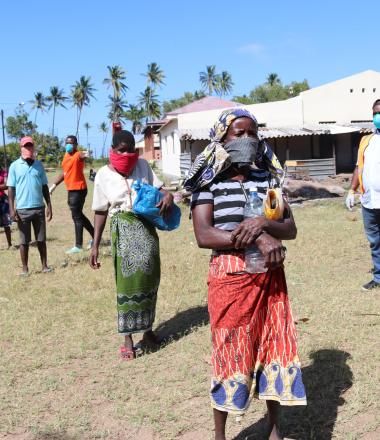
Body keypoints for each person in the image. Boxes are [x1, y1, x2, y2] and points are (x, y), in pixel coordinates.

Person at [186, 109, 306, 440]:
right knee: (229, 351)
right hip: (229, 277)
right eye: (238, 133)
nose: (247, 139)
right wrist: (256, 236)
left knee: (272, 348)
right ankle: (220, 436)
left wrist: (264, 223)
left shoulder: (267, 179)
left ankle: (274, 430)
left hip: (269, 276)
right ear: (222, 139)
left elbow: (290, 228)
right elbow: (204, 235)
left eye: (252, 133)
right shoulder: (208, 180)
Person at [89, 130, 174, 360]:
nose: (126, 154)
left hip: (147, 227)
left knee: (150, 278)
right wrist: (95, 246)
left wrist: (167, 196)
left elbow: (160, 189)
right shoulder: (103, 175)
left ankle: (147, 331)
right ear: (113, 150)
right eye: (121, 150)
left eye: (130, 150)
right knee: (127, 283)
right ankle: (128, 338)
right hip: (123, 228)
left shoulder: (143, 166)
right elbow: (100, 211)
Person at [346, 99, 380, 291]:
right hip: (369, 201)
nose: (378, 116)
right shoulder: (366, 140)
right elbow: (359, 166)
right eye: (375, 113)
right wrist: (351, 190)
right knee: (375, 241)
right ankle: (378, 276)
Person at [7, 136, 52, 275]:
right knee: (24, 241)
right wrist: (11, 209)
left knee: (41, 239)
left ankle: (45, 266)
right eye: (25, 146)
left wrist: (49, 205)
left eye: (30, 146)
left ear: (33, 148)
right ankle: (25, 268)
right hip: (22, 210)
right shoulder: (14, 166)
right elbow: (11, 189)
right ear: (21, 148)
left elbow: (45, 186)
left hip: (39, 208)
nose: (28, 148)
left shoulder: (39, 165)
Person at [49, 135, 94, 254]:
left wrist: (87, 153)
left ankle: (78, 246)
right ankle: (95, 236)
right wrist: (53, 186)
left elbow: (83, 155)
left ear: (76, 145)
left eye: (71, 143)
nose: (69, 145)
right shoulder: (65, 156)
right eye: (67, 143)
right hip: (71, 190)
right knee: (78, 215)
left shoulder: (77, 155)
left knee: (77, 216)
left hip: (78, 189)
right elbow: (65, 173)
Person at [0, 165, 12, 248]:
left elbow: (6, 185)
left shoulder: (4, 173)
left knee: (6, 224)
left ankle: (10, 244)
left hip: (2, 201)